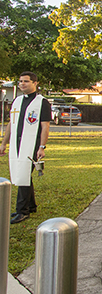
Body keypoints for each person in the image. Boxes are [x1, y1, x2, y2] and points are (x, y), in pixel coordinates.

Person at [0, 71, 51, 224]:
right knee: (23, 174)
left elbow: (45, 126)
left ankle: (22, 211)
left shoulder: (42, 102)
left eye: (26, 81)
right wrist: (4, 143)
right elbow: (11, 123)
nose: (22, 84)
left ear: (35, 83)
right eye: (20, 81)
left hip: (31, 144)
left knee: (23, 175)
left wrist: (42, 147)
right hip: (17, 143)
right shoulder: (17, 101)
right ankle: (31, 205)